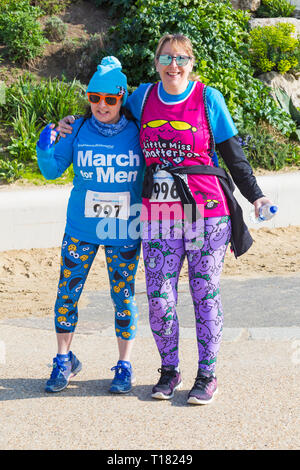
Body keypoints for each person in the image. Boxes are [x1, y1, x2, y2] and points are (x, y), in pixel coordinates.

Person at [58, 34, 272, 405]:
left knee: (204, 293)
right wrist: (72, 124)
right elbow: (107, 111)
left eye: (181, 58)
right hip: (159, 212)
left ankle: (207, 374)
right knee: (159, 296)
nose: (174, 65)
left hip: (207, 211)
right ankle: (169, 370)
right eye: (166, 58)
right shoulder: (142, 98)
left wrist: (256, 195)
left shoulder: (208, 98)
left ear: (192, 63)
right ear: (156, 62)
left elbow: (233, 155)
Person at [36, 56, 144, 394]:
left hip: (124, 230)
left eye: (110, 99)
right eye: (94, 98)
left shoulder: (139, 130)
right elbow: (52, 171)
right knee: (67, 295)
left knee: (123, 297)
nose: (101, 105)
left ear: (122, 98)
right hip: (81, 228)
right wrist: (44, 145)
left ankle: (124, 365)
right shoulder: (78, 128)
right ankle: (63, 359)